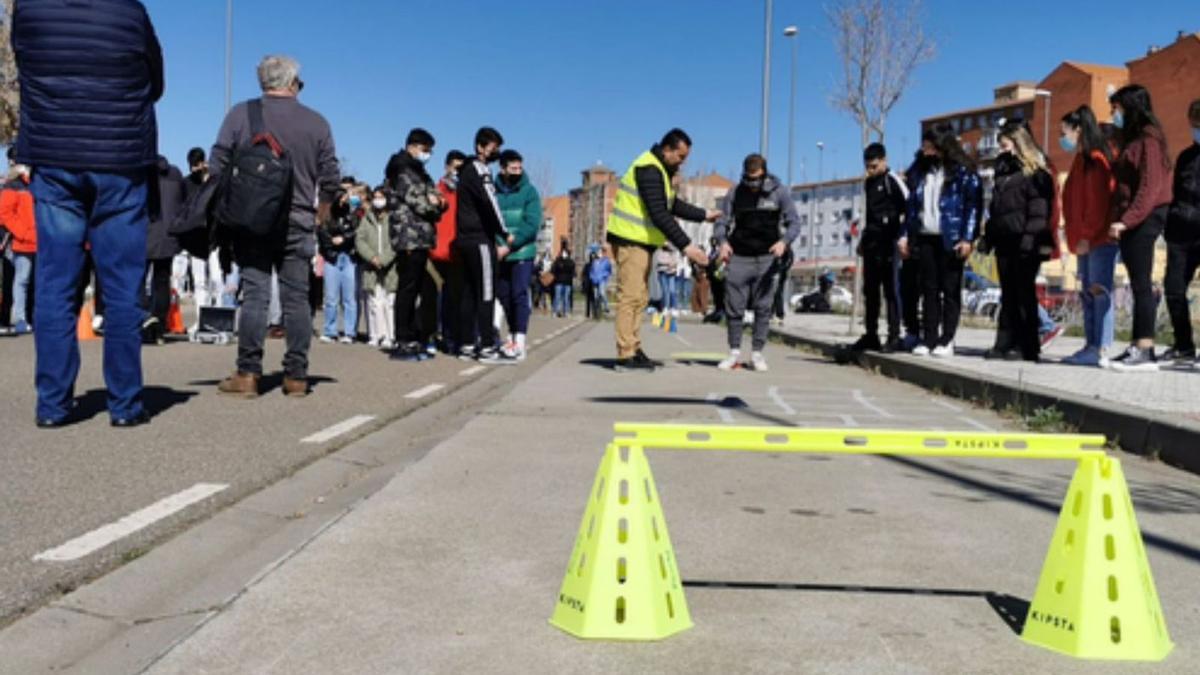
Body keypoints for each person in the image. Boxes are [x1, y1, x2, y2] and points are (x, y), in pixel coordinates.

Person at [13, 0, 163, 428]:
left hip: (55, 155)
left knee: (55, 286)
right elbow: (156, 83)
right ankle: (125, 403)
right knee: (120, 289)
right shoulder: (131, 12)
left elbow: (26, 64)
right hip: (120, 158)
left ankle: (53, 405)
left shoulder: (29, 10)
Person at [213, 55, 340, 398]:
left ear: (262, 82)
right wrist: (321, 214)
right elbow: (330, 176)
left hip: (252, 221)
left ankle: (248, 373)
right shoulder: (316, 123)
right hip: (298, 220)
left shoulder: (242, 113)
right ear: (294, 82)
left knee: (254, 295)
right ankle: (296, 376)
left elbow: (218, 162)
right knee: (296, 299)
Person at [606, 129, 721, 370]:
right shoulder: (649, 169)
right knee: (630, 297)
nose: (682, 162)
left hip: (642, 241)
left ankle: (634, 348)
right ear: (667, 149)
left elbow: (672, 205)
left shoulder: (660, 170)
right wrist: (687, 247)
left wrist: (703, 215)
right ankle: (625, 353)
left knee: (640, 298)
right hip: (630, 240)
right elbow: (659, 214)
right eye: (680, 156)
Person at [714, 154, 802, 372]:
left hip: (767, 257)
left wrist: (784, 242)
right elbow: (722, 221)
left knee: (763, 307)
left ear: (764, 174)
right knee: (734, 306)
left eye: (756, 180)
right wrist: (722, 242)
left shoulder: (779, 192)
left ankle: (757, 353)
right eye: (748, 179)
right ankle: (734, 352)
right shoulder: (735, 192)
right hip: (739, 256)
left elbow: (794, 222)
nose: (752, 184)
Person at [1107, 85, 1173, 372]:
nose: (1114, 113)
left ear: (1131, 107)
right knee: (1137, 283)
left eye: (1117, 107)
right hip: (1135, 217)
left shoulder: (1149, 139)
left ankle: (1145, 349)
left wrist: (1127, 219)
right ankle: (1137, 345)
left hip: (1145, 216)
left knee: (1142, 285)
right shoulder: (1133, 139)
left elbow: (1150, 186)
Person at [901, 126, 983, 357]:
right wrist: (905, 234)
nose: (925, 151)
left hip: (951, 239)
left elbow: (973, 207)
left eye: (929, 146)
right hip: (925, 236)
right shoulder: (920, 171)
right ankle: (928, 338)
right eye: (924, 146)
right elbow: (910, 207)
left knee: (950, 290)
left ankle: (947, 339)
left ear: (941, 146)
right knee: (929, 290)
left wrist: (968, 237)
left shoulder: (963, 173)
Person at [981, 121, 1055, 362]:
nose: (1000, 150)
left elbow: (1039, 213)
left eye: (1004, 145)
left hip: (1026, 243)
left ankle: (1027, 346)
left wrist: (1029, 241)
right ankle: (1004, 342)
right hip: (1004, 241)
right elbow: (996, 210)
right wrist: (988, 238)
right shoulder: (1002, 175)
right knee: (1008, 295)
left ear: (1018, 144)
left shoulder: (1036, 174)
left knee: (1024, 294)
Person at [1060, 106, 1118, 366]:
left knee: (1098, 292)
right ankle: (1090, 345)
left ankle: (1101, 347)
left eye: (1065, 132)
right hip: (1083, 239)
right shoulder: (1081, 159)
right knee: (1087, 294)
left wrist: (1085, 235)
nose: (1063, 138)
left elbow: (1097, 203)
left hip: (1098, 239)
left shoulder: (1096, 159)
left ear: (1079, 129)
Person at [454, 127, 514, 364]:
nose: (496, 151)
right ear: (480, 147)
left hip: (465, 239)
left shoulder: (466, 171)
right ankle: (488, 346)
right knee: (486, 292)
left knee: (469, 292)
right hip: (479, 238)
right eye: (493, 147)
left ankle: (467, 344)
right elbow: (490, 202)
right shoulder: (479, 170)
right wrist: (503, 231)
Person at [385, 128, 445, 361]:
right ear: (412, 146)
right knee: (407, 289)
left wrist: (436, 202)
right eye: (425, 150)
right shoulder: (402, 169)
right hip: (408, 236)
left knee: (421, 287)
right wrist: (433, 203)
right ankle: (402, 338)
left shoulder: (421, 172)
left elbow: (437, 198)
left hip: (422, 237)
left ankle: (414, 336)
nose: (427, 154)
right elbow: (421, 203)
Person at [851, 142, 909, 352]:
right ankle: (871, 334)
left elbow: (909, 208)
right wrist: (863, 240)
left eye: (874, 166)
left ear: (884, 161)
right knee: (870, 291)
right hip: (872, 243)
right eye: (867, 166)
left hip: (890, 242)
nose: (871, 170)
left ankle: (894, 336)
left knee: (891, 290)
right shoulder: (868, 183)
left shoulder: (893, 181)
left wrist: (903, 237)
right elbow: (869, 216)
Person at [1161, 99, 1200, 368]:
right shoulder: (1186, 156)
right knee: (1173, 289)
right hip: (1181, 235)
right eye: (1194, 124)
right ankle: (1184, 345)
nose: (1195, 129)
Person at [494, 149, 542, 360]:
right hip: (500, 253)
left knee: (519, 294)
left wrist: (511, 244)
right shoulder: (493, 191)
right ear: (502, 168)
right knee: (504, 296)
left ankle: (520, 341)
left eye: (520, 168)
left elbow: (532, 223)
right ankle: (511, 337)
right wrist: (498, 245)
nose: (517, 171)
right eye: (513, 168)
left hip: (522, 252)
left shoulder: (529, 191)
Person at [141, 155, 186, 344]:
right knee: (162, 281)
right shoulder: (175, 174)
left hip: (144, 234)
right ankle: (159, 325)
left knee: (137, 281)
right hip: (169, 235)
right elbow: (183, 201)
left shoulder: (141, 173)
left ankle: (144, 320)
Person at [430, 150, 466, 354]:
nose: (457, 172)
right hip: (436, 252)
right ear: (446, 167)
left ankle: (454, 337)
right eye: (454, 167)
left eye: (461, 168)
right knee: (436, 297)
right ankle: (437, 335)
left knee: (455, 297)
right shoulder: (436, 191)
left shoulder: (465, 193)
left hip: (457, 252)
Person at [355, 186, 398, 349]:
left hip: (390, 266)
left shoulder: (393, 217)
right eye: (376, 197)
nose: (378, 200)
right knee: (374, 301)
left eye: (381, 197)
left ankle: (390, 335)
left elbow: (396, 240)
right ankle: (375, 334)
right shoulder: (367, 218)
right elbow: (360, 240)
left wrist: (384, 259)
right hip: (371, 265)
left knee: (390, 301)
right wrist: (371, 257)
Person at [319, 184, 361, 344]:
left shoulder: (353, 215)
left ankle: (350, 332)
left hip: (348, 257)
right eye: (342, 197)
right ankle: (330, 330)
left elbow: (356, 232)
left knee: (349, 298)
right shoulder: (327, 216)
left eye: (346, 197)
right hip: (332, 258)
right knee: (331, 297)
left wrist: (344, 238)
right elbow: (322, 234)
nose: (345, 200)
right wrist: (331, 244)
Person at [0, 159, 35, 335]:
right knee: (21, 280)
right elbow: (4, 214)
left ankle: (31, 317)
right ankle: (20, 318)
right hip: (22, 242)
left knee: (34, 281)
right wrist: (24, 233)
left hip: (39, 242)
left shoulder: (36, 184)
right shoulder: (14, 185)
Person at [552, 248, 577, 318]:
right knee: (557, 297)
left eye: (565, 253)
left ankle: (566, 312)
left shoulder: (571, 262)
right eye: (563, 252)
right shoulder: (558, 261)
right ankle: (556, 311)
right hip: (559, 282)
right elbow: (553, 270)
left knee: (566, 298)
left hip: (567, 282)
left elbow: (573, 272)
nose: (563, 254)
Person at [654, 245, 678, 316]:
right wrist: (668, 263)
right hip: (663, 272)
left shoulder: (673, 252)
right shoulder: (660, 251)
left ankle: (673, 308)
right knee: (665, 291)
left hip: (671, 272)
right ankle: (665, 308)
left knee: (672, 290)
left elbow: (676, 261)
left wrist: (672, 264)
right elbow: (659, 260)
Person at [590, 246, 613, 317]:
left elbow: (609, 271)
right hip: (595, 280)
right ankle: (597, 312)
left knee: (602, 293)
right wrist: (591, 277)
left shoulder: (606, 261)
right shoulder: (595, 261)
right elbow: (592, 271)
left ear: (603, 253)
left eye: (600, 252)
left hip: (602, 280)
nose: (599, 254)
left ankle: (606, 307)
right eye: (598, 252)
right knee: (596, 296)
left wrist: (604, 276)